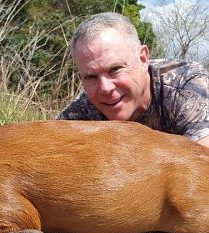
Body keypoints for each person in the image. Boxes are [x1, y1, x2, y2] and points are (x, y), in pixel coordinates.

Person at [56, 12, 209, 147]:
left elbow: (203, 159)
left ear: (143, 59)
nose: (105, 88)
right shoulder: (83, 108)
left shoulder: (185, 85)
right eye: (90, 77)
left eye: (115, 69)